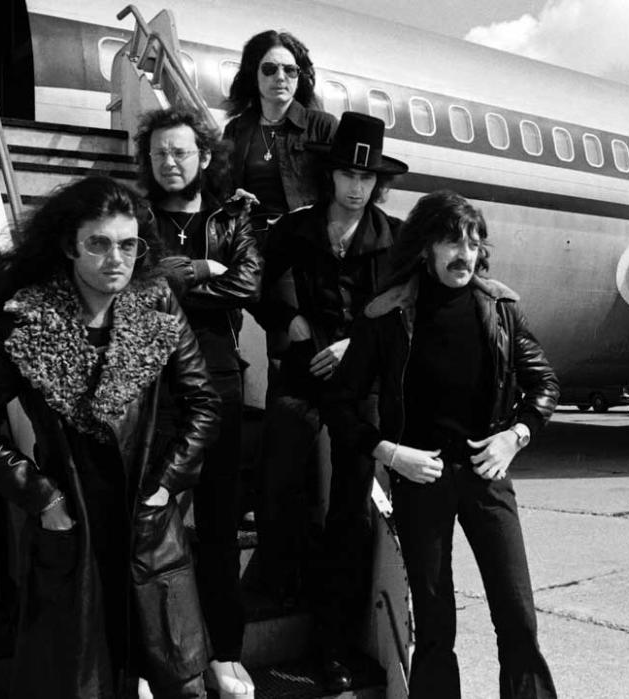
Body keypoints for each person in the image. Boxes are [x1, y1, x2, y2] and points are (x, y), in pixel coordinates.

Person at [0, 176, 217, 698]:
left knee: (180, 680)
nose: (117, 258)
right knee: (81, 680)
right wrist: (42, 498)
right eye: (99, 243)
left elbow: (203, 403)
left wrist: (166, 485)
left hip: (147, 522)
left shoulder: (156, 305)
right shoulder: (27, 318)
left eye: (128, 244)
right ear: (71, 245)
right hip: (74, 524)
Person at [323, 191, 560, 698]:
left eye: (474, 243)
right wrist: (390, 453)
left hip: (487, 476)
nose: (465, 254)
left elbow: (544, 384)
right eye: (453, 241)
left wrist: (513, 439)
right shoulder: (385, 316)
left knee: (517, 616)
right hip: (420, 479)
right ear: (426, 246)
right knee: (434, 628)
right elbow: (340, 405)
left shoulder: (499, 307)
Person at [252, 111, 407, 692]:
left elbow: (400, 316)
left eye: (367, 178)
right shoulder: (293, 229)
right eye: (347, 173)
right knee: (283, 482)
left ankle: (335, 645)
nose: (356, 187)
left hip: (357, 387)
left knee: (351, 513)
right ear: (331, 175)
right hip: (299, 379)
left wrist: (353, 347)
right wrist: (287, 319)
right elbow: (260, 290)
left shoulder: (393, 240)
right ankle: (280, 596)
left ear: (377, 184)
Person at [135, 107, 262, 699]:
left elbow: (249, 284)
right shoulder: (132, 217)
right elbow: (131, 289)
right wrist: (203, 271)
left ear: (203, 157)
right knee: (149, 519)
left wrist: (183, 277)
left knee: (217, 519)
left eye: (181, 152)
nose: (170, 162)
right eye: (160, 153)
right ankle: (150, 653)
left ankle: (225, 650)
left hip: (216, 376)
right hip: (150, 381)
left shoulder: (231, 215)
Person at [222, 29, 337, 229]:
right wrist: (234, 202)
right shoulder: (236, 129)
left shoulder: (323, 126)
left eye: (290, 70)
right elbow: (221, 192)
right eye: (269, 69)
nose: (281, 77)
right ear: (253, 74)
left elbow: (339, 192)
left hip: (304, 238)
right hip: (250, 240)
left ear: (299, 75)